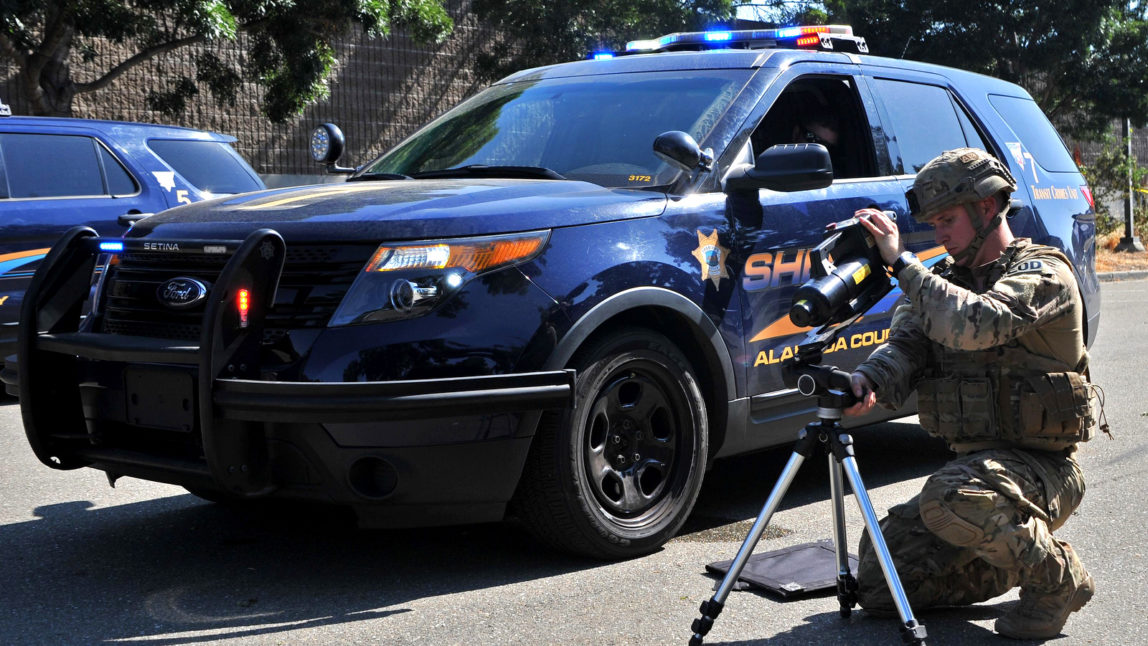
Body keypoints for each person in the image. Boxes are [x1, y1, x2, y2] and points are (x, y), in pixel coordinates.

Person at [844, 147, 1100, 639]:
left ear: (987, 206)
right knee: (878, 586)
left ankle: (1056, 579)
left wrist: (902, 264)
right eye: (933, 222)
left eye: (947, 219)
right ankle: (1007, 558)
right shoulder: (938, 284)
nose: (938, 234)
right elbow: (904, 349)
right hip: (976, 473)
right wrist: (867, 381)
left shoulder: (1045, 274)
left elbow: (974, 323)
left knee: (952, 496)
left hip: (1044, 469)